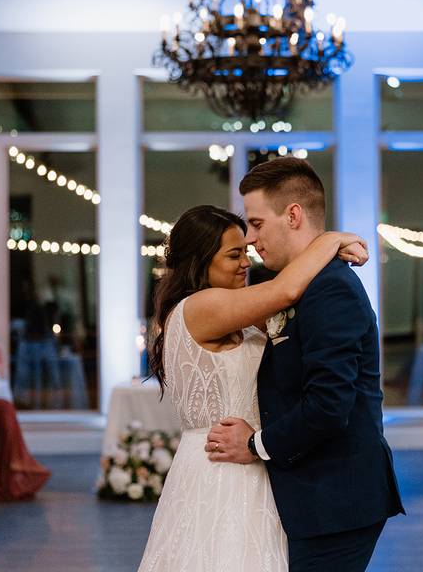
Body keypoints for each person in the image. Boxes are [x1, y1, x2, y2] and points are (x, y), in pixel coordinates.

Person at [138, 200, 384, 571]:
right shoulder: (202, 306)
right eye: (233, 254)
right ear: (199, 261)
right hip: (221, 467)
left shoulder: (234, 311)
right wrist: (331, 239)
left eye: (246, 251)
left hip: (249, 461)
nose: (246, 262)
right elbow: (285, 291)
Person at [206, 158, 404, 572]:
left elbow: (330, 406)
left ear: (293, 215)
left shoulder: (331, 290)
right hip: (312, 493)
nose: (252, 240)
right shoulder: (294, 285)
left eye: (257, 224)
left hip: (337, 500)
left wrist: (254, 445)